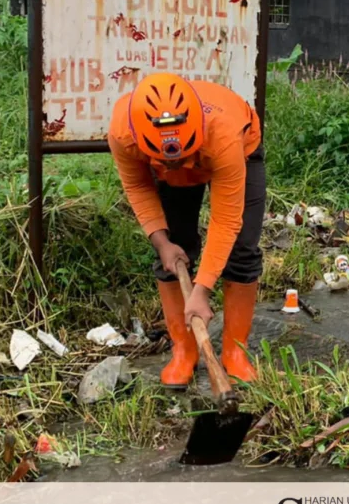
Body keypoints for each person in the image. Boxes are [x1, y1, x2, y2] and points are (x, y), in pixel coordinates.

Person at [107, 73, 266, 388]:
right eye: (171, 161)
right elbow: (138, 186)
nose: (180, 165)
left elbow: (225, 220)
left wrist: (202, 290)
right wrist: (162, 241)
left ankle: (235, 353)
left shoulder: (224, 134)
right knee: (175, 248)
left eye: (184, 158)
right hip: (171, 164)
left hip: (238, 149)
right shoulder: (123, 132)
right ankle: (184, 350)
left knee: (242, 249)